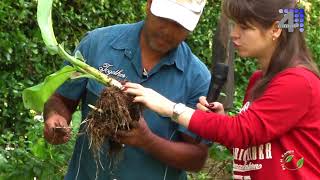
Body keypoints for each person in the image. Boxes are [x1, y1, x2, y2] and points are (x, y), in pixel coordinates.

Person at [124, 0, 320, 179]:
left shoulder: (298, 82)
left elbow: (243, 131)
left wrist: (170, 108)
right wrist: (221, 120)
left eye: (244, 27)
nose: (234, 33)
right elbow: (250, 140)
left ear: (276, 29)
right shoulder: (259, 81)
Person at [43, 0, 212, 179]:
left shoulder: (197, 78)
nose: (168, 30)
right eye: (163, 18)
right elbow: (61, 99)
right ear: (149, 5)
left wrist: (148, 141)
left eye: (179, 24)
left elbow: (197, 158)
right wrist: (55, 117)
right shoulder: (97, 44)